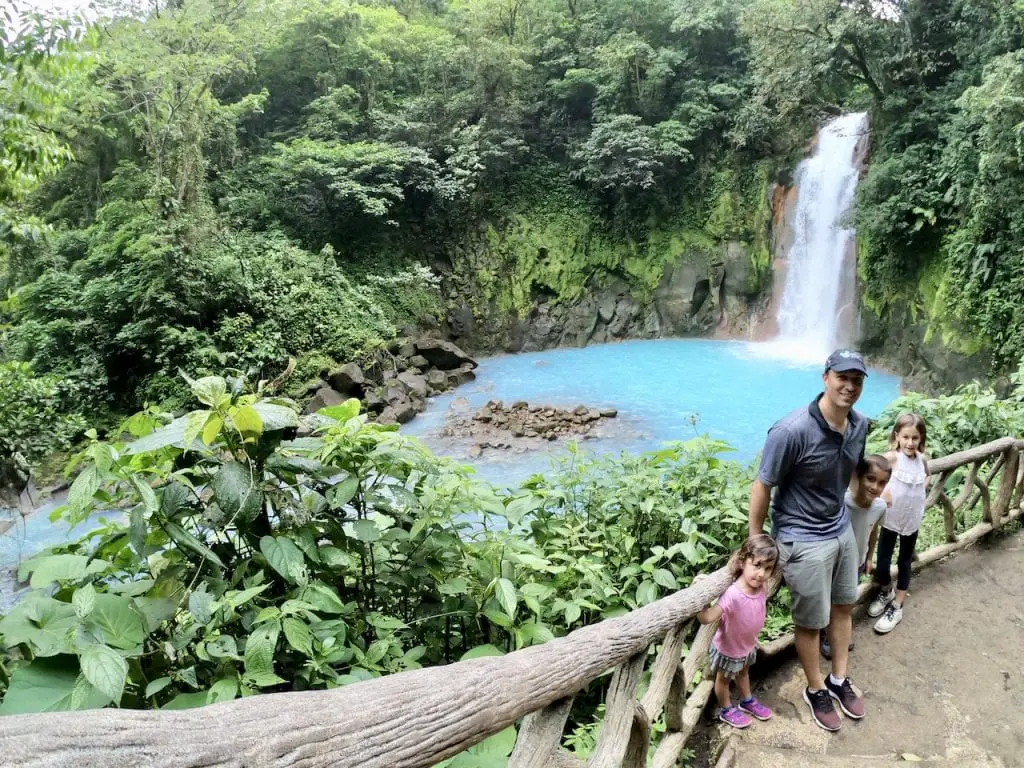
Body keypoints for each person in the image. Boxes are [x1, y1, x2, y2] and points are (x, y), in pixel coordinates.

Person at [749, 348, 869, 732]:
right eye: (842, 377)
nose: (849, 386)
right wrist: (756, 539)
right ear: (825, 377)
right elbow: (763, 483)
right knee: (811, 622)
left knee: (844, 607)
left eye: (857, 380)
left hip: (840, 529)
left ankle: (838, 678)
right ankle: (815, 688)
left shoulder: (860, 425)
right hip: (801, 538)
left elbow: (851, 470)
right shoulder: (791, 430)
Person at [698, 534, 778, 729]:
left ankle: (746, 700)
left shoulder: (761, 586)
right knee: (723, 680)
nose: (761, 574)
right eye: (757, 565)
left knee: (743, 674)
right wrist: (701, 598)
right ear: (742, 562)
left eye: (767, 568)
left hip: (747, 645)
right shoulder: (733, 594)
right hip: (729, 649)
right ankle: (726, 709)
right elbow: (707, 618)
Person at [820, 454, 891, 658]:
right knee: (829, 601)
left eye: (881, 483)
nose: (875, 487)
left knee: (846, 601)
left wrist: (869, 557)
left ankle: (839, 633)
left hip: (857, 563)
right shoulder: (842, 502)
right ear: (858, 476)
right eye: (870, 479)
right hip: (834, 562)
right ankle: (827, 635)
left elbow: (873, 531)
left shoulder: (880, 507)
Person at [867, 413, 929, 634]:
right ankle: (887, 591)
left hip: (912, 520)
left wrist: (920, 492)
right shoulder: (892, 458)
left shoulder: (921, 460)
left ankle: (897, 605)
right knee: (882, 564)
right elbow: (871, 469)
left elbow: (927, 476)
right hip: (890, 520)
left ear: (921, 439)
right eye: (906, 437)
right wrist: (883, 492)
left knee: (904, 562)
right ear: (897, 436)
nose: (910, 443)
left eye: (915, 438)